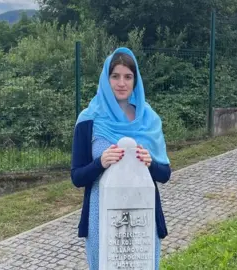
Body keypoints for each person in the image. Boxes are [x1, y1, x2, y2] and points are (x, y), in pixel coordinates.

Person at [70, 47, 172, 269]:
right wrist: (100, 163)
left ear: (136, 81)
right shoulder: (89, 120)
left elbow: (165, 174)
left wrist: (150, 163)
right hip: (101, 216)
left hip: (143, 215)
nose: (122, 83)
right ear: (106, 80)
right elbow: (77, 177)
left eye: (128, 77)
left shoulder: (149, 119)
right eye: (115, 76)